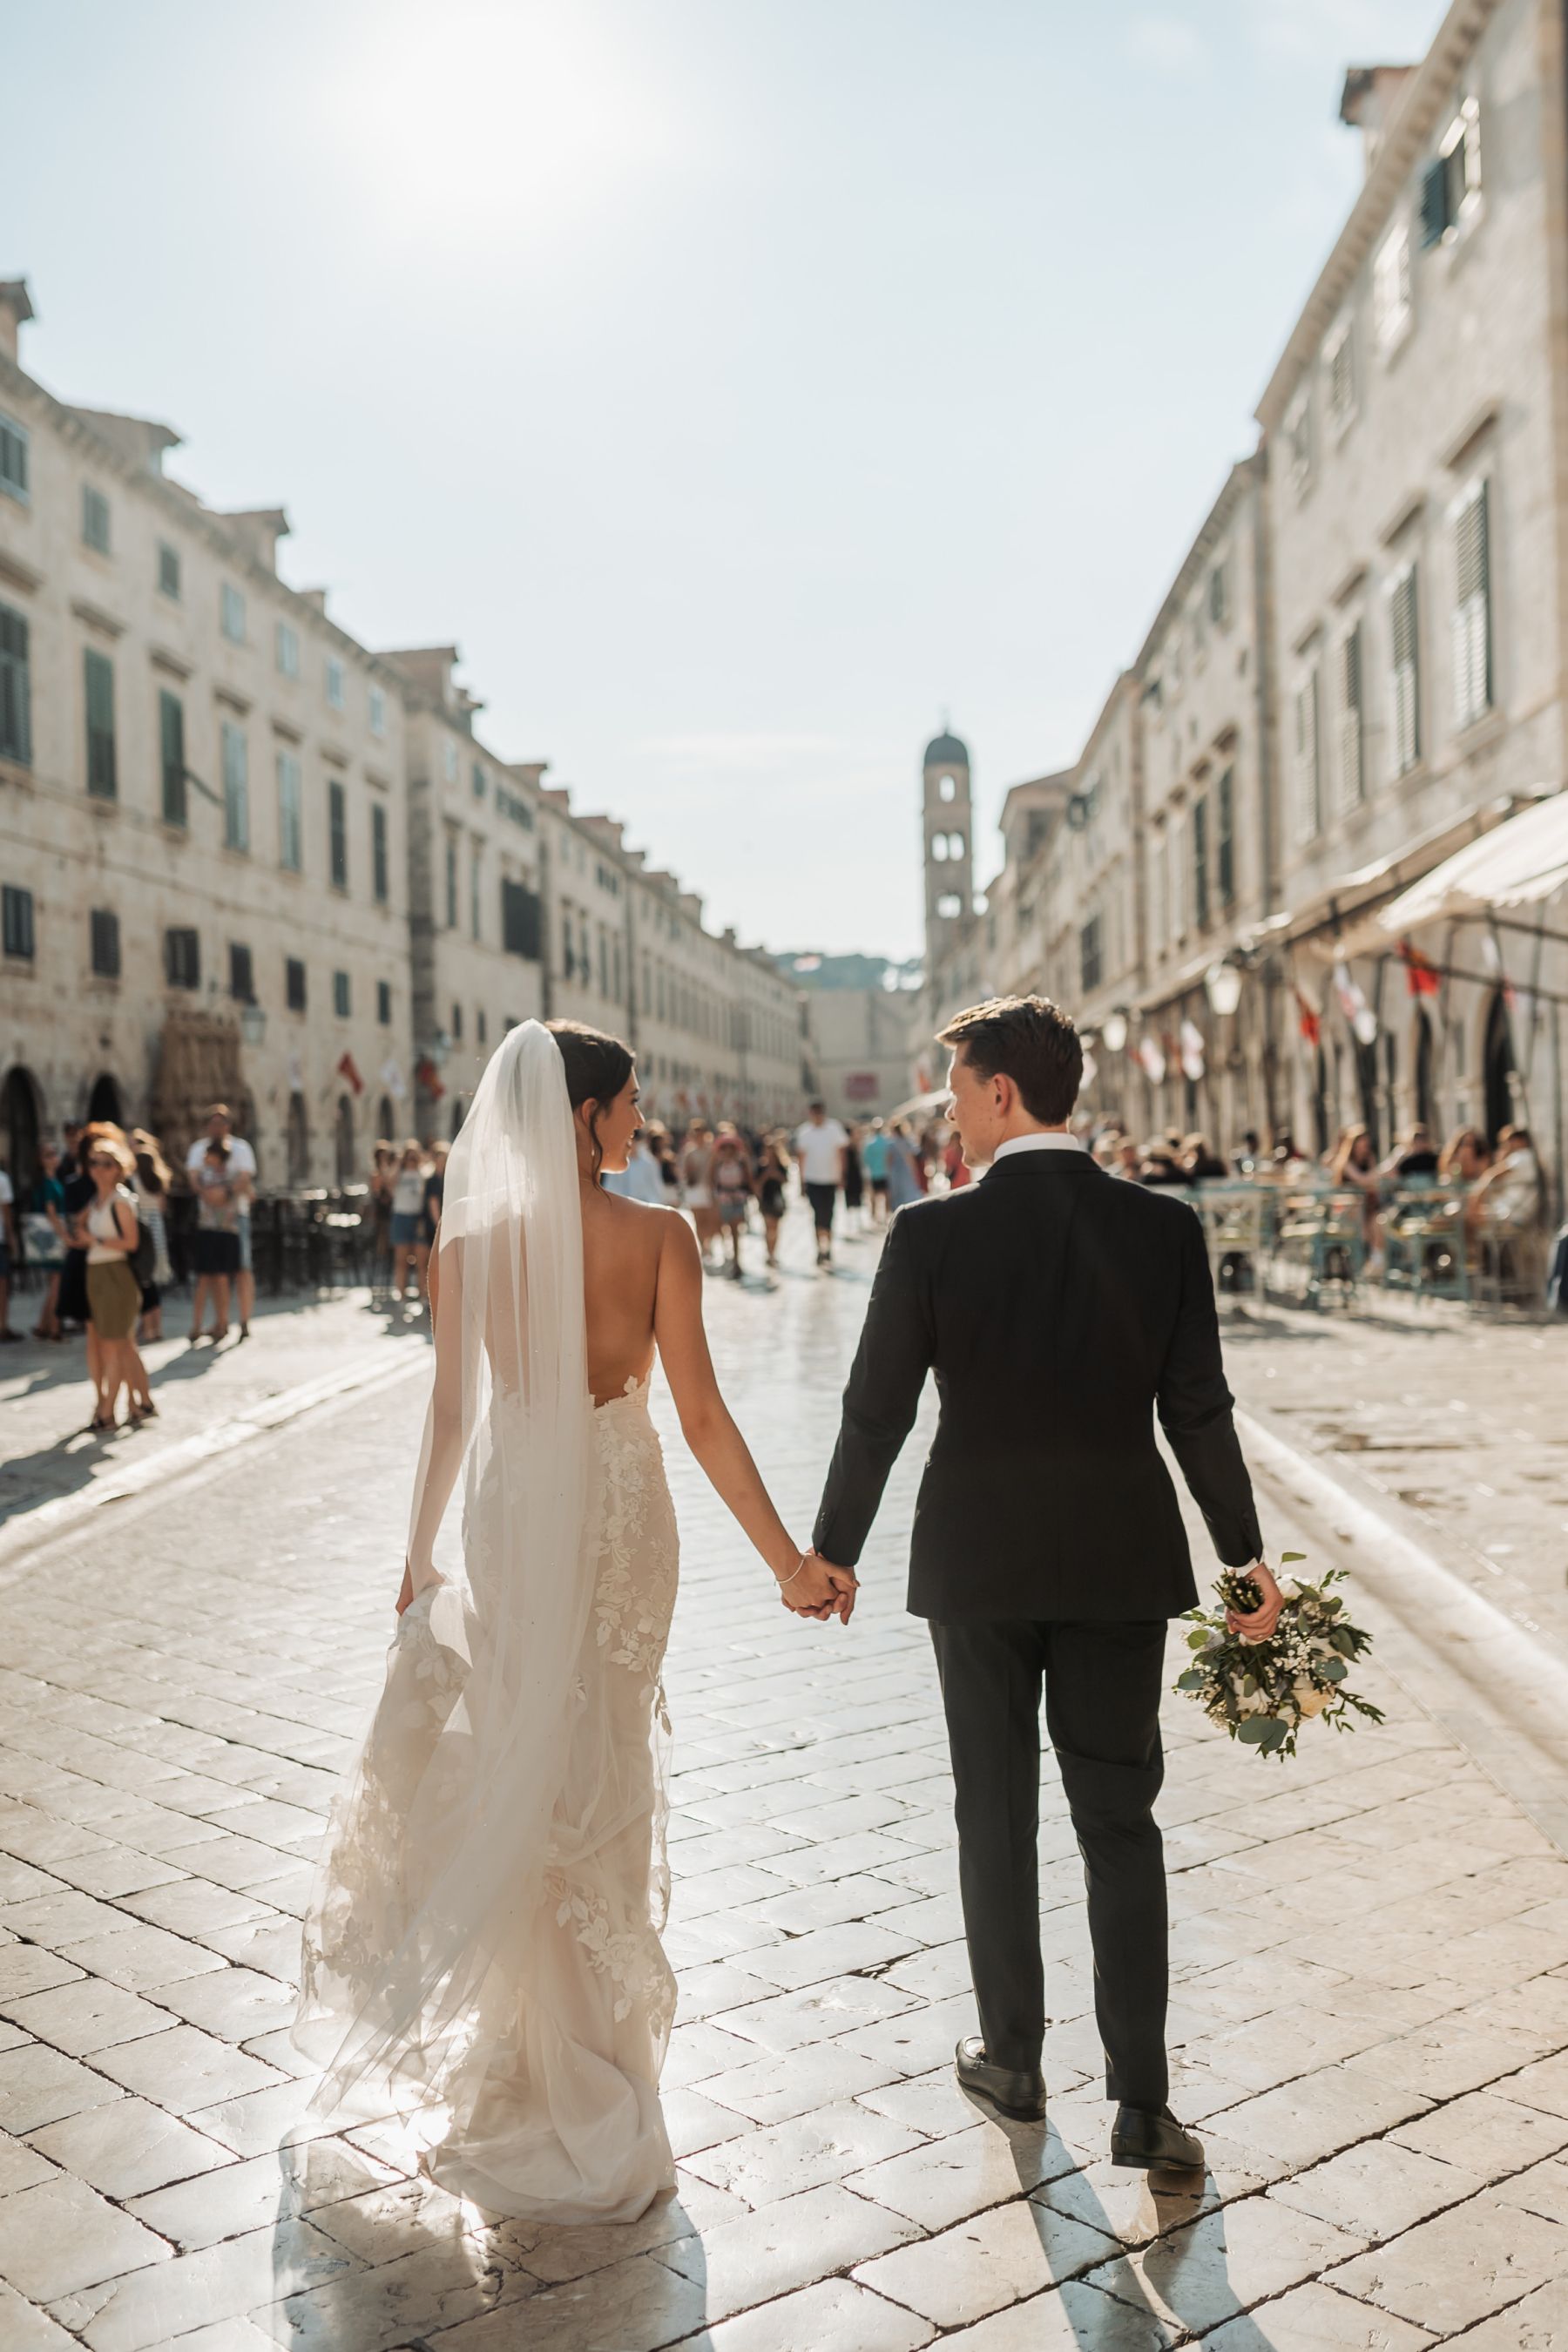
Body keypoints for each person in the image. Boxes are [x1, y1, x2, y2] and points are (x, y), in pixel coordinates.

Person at [294, 1017, 847, 2223]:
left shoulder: (470, 1245)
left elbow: (450, 1415)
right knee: (603, 1758)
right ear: (586, 1116)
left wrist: (416, 1550)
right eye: (631, 1102)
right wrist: (786, 1561)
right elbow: (698, 1416)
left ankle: (530, 2060)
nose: (642, 1120)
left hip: (512, 1497)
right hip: (622, 1503)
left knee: (526, 1745)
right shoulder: (660, 1235)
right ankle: (595, 2067)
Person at [809, 993, 1278, 2175]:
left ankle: (1013, 2059)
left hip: (976, 1560)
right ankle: (1143, 2102)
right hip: (1121, 1560)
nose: (949, 1111)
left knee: (995, 1811)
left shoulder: (929, 1235)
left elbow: (879, 1411)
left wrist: (833, 1551)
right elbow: (1198, 1411)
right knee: (1120, 1820)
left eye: (957, 1089)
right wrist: (1242, 1557)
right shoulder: (1162, 1231)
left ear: (1003, 1094)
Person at [74, 1132, 144, 1430]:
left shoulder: (120, 1201)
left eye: (105, 1163)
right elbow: (79, 1227)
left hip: (116, 1275)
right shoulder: (97, 1200)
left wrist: (96, 1239)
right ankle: (137, 1402)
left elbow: (131, 1242)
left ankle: (107, 1413)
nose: (98, 1169)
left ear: (118, 1168)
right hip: (96, 1273)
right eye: (93, 1163)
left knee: (115, 1345)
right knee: (111, 1344)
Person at [185, 1105, 258, 1339]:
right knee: (215, 1274)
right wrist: (209, 1194)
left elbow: (246, 1178)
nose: (218, 1127)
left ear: (229, 1125)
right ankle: (220, 1322)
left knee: (242, 1268)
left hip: (236, 1217)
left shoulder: (241, 1148)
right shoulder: (198, 1149)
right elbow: (193, 1178)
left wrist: (225, 1193)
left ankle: (244, 1320)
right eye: (213, 1123)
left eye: (222, 1123)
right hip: (209, 1221)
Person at [190, 1139, 242, 1343]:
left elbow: (219, 1197)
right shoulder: (204, 1175)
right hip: (208, 1228)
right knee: (203, 1279)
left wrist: (212, 1193)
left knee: (221, 1278)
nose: (204, 1158)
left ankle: (222, 1322)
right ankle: (197, 1324)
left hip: (225, 1229)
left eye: (208, 1155)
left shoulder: (230, 1176)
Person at [792, 1100, 848, 1269]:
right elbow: (801, 1158)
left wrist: (842, 1175)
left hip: (830, 1179)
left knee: (829, 1214)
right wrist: (800, 1182)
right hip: (813, 1179)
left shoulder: (834, 1128)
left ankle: (829, 1247)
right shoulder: (804, 1132)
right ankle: (819, 1248)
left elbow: (841, 1153)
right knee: (817, 1214)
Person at [131, 1132, 173, 1351]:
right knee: (153, 1282)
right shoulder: (158, 1181)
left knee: (144, 1281)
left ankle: (147, 1328)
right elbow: (163, 1208)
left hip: (141, 1230)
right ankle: (156, 1327)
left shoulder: (134, 1181)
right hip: (157, 1229)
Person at [23, 1142, 70, 1340]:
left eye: (54, 1153)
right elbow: (51, 1213)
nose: (53, 1158)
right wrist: (65, 1237)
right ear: (41, 1161)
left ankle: (44, 1325)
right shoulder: (48, 1183)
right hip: (53, 1238)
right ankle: (55, 1328)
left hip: (50, 1237)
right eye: (48, 1155)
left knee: (54, 1285)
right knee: (57, 1284)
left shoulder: (51, 1180)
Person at [711, 1124, 754, 1280]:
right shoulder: (718, 1162)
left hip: (737, 1198)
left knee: (735, 1231)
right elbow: (712, 1181)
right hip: (723, 1199)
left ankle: (736, 1261)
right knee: (724, 1230)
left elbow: (749, 1180)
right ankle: (726, 1256)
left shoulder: (741, 1161)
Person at [389, 1141, 427, 1307]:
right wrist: (398, 1163)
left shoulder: (422, 1174)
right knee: (401, 1259)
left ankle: (423, 1294)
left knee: (421, 1260)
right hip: (401, 1216)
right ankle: (401, 1295)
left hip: (418, 1217)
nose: (411, 1159)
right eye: (408, 1156)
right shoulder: (399, 1174)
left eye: (414, 1156)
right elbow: (389, 1184)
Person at [680, 1122, 720, 1263]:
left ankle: (709, 1244)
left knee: (710, 1221)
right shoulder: (689, 1152)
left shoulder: (711, 1151)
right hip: (695, 1190)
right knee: (698, 1220)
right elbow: (684, 1171)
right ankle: (703, 1247)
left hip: (708, 1189)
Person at [757, 1134, 789, 1267]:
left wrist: (776, 1174)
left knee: (775, 1228)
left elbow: (786, 1181)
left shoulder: (781, 1165)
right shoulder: (761, 1166)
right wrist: (766, 1175)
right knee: (768, 1227)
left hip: (777, 1199)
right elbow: (756, 1184)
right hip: (766, 1199)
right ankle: (769, 1252)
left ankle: (773, 1252)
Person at [884, 1118, 925, 1211]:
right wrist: (914, 1171)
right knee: (909, 1191)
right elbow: (910, 1158)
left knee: (898, 1193)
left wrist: (889, 1172)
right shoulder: (907, 1141)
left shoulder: (891, 1143)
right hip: (906, 1170)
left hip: (896, 1171)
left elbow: (888, 1160)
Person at [862, 1119, 890, 1222]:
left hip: (874, 1173)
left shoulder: (870, 1143)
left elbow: (866, 1160)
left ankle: (874, 1216)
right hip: (886, 1172)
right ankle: (886, 1214)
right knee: (886, 1195)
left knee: (873, 1196)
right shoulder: (886, 1142)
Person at [0, 1160, 16, 1342]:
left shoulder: (3, 1179)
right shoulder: (3, 1179)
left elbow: (6, 1212)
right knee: (2, 1286)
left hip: (1, 1239)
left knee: (2, 1285)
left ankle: (3, 1326)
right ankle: (2, 1326)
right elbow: (6, 1213)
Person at [841, 1125, 865, 1229]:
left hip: (854, 1174)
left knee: (856, 1198)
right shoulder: (847, 1146)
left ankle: (855, 1222)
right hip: (851, 1175)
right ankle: (851, 1223)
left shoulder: (855, 1145)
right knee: (851, 1198)